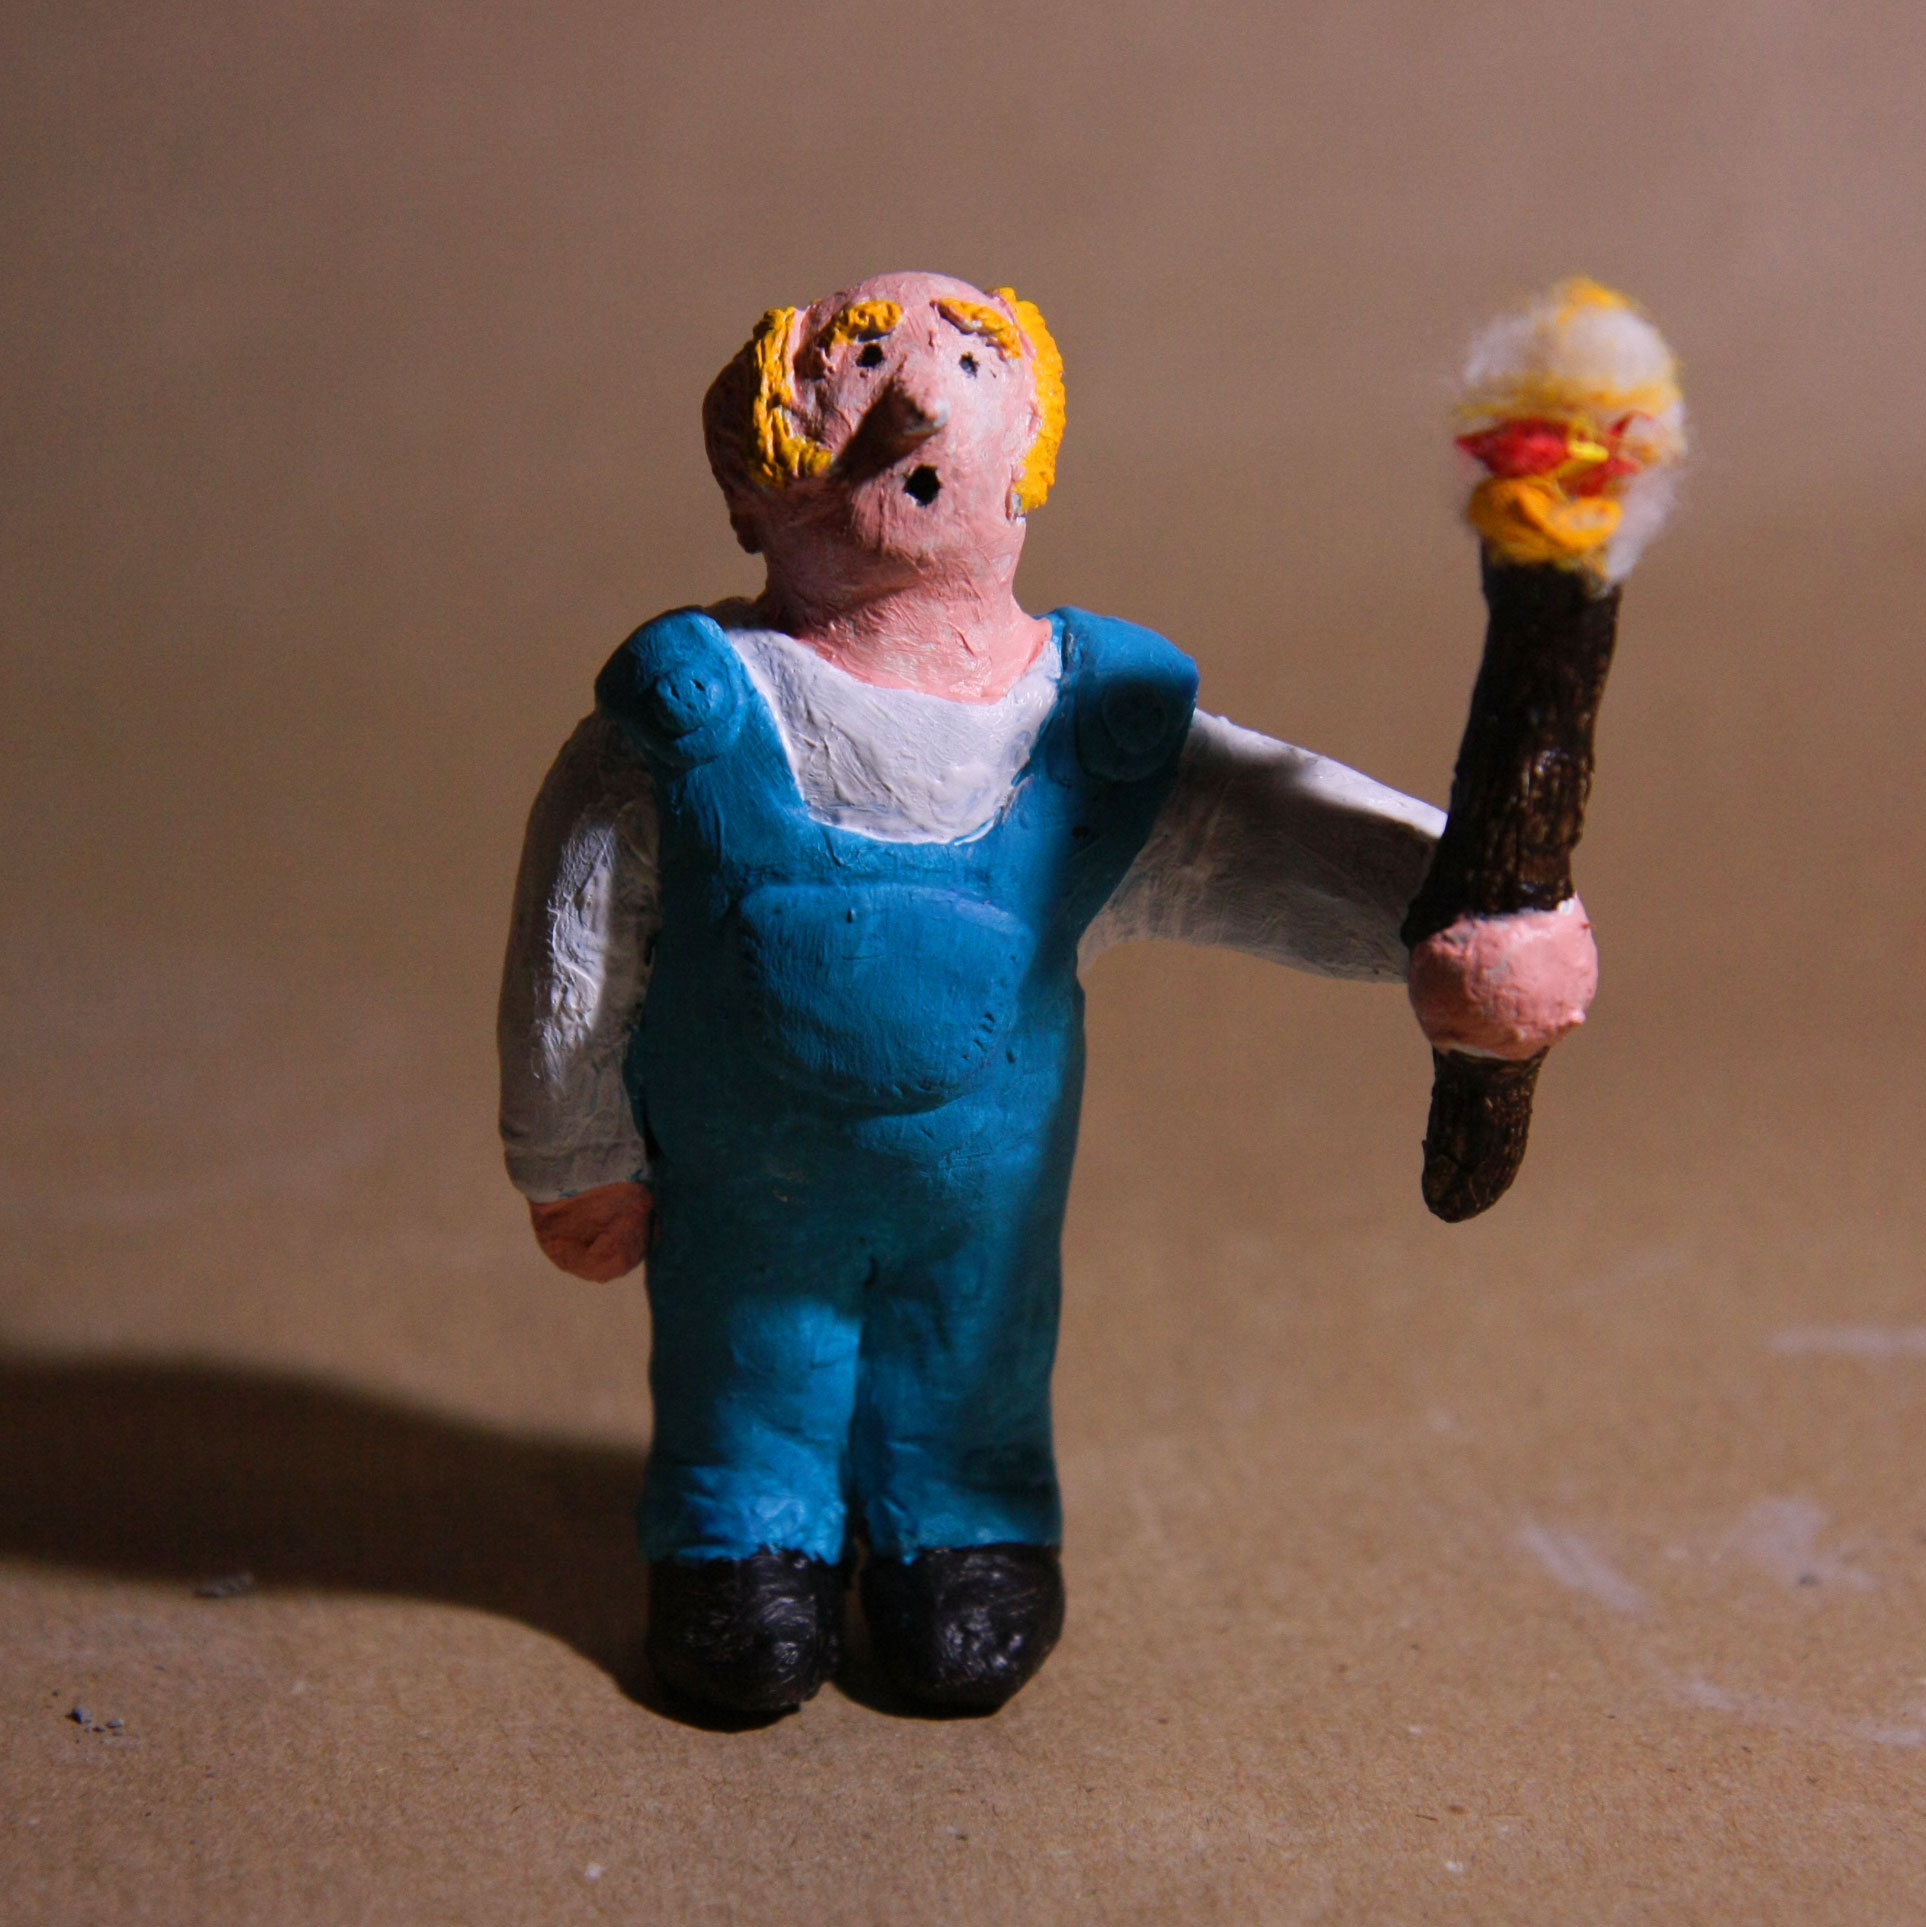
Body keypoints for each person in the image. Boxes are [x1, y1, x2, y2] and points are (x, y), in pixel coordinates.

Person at [498, 272, 1596, 1717]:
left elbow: (1280, 833)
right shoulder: (684, 717)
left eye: (968, 362)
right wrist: (572, 1152)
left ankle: (963, 1525)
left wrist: (1462, 922)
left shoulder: (1098, 730)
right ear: (749, 487)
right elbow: (574, 936)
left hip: (986, 1199)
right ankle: (740, 1535)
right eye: (856, 363)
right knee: (748, 1347)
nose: (913, 398)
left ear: (1027, 454)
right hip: (739, 1190)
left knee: (973, 1345)